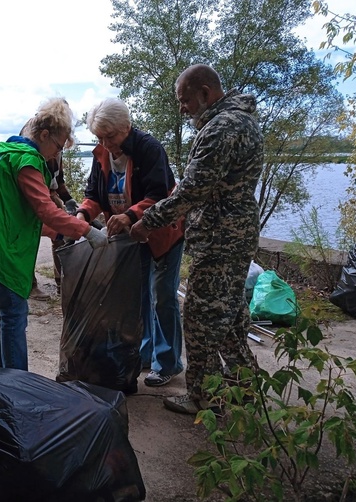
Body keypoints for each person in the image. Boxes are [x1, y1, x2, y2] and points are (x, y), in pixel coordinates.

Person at [130, 64, 264, 414]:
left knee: (201, 320)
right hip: (234, 236)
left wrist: (148, 221)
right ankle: (245, 389)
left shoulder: (221, 129)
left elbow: (191, 190)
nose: (182, 108)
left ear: (205, 93)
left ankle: (203, 398)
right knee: (231, 318)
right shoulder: (242, 121)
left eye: (185, 100)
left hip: (221, 241)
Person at [0, 97, 108, 371]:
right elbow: (45, 210)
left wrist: (58, 233)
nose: (55, 155)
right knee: (14, 314)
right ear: (44, 135)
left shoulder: (6, 153)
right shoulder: (28, 160)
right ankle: (17, 385)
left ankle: (2, 377)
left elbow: (20, 213)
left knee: (2, 311)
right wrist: (87, 230)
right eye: (57, 147)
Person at [75, 97, 185, 387]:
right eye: (100, 137)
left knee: (163, 295)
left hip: (164, 234)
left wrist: (130, 215)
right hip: (130, 238)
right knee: (138, 299)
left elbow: (161, 194)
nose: (106, 143)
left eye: (110, 136)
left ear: (126, 127)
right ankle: (145, 353)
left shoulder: (149, 149)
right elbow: (94, 194)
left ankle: (169, 362)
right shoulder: (102, 154)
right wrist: (84, 212)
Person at [29, 155, 79, 300]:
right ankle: (29, 285)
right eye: (59, 145)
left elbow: (58, 179)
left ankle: (62, 283)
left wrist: (67, 198)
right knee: (30, 238)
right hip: (34, 197)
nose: (60, 149)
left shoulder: (58, 148)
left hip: (52, 196)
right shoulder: (32, 149)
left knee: (60, 239)